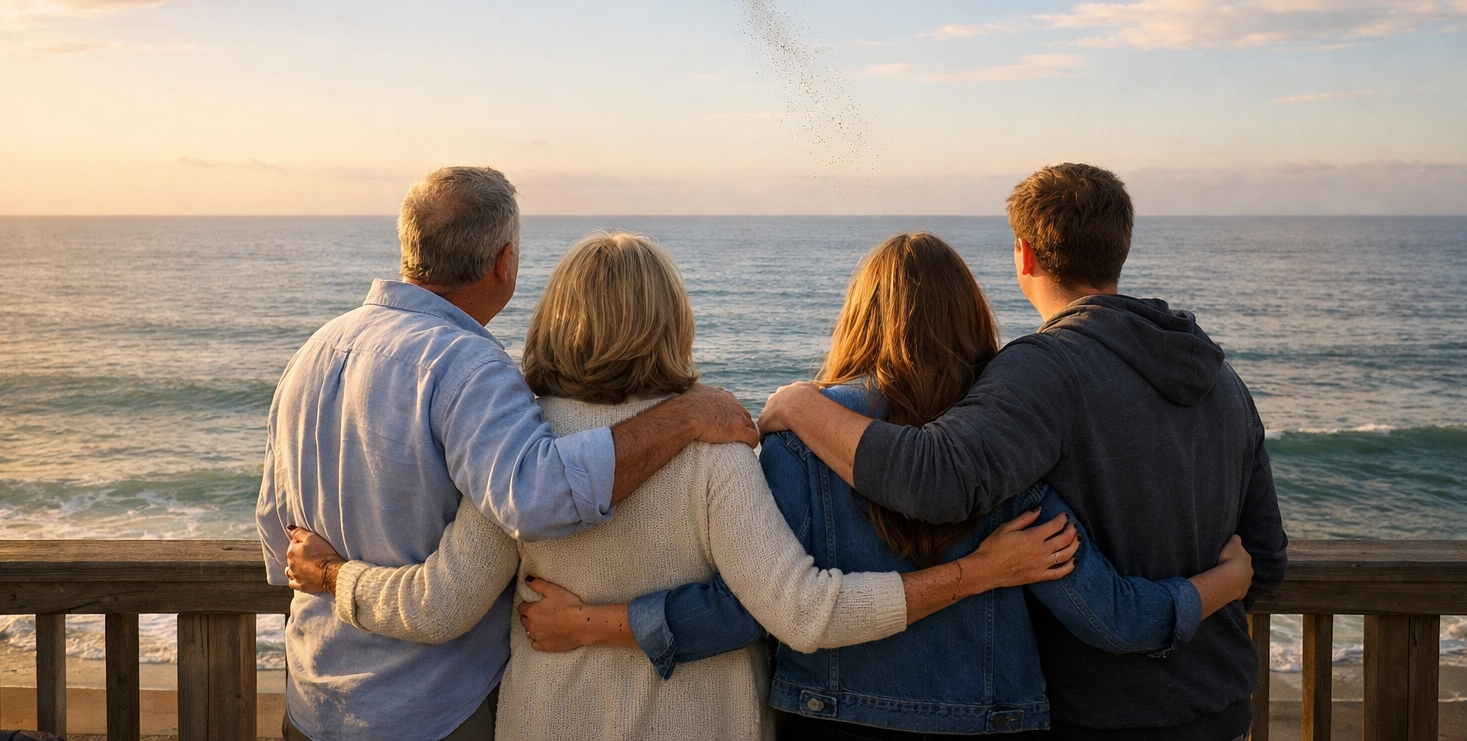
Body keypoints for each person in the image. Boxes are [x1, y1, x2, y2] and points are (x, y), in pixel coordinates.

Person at [283, 230, 1094, 741]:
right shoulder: (715, 448)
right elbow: (805, 611)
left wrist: (333, 578)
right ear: (673, 319)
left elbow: (442, 603)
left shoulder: (520, 445)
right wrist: (973, 575)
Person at [509, 231, 1256, 739]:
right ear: (973, 319)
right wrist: (1225, 579)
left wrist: (598, 623)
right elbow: (1115, 620)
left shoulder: (799, 438)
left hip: (830, 717)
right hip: (987, 721)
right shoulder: (1002, 446)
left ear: (857, 316)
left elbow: (752, 611)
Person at [757, 165, 1289, 741]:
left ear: (1024, 254)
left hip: (1099, 716)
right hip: (1224, 705)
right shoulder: (1222, 380)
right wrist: (1226, 584)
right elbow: (1264, 557)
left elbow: (938, 482)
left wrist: (801, 406)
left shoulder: (1044, 369)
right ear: (1121, 249)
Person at [255, 167, 761, 741]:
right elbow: (536, 500)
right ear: (505, 261)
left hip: (315, 696)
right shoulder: (467, 366)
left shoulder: (315, 352)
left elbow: (277, 533)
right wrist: (685, 414)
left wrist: (327, 574)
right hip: (431, 710)